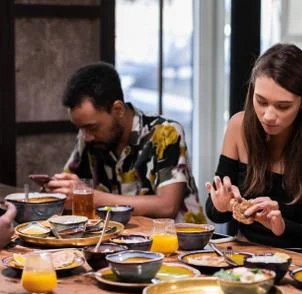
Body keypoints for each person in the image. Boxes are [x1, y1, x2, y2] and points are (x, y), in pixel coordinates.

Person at [205, 43, 302, 252]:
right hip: (241, 257)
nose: (269, 116)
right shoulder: (238, 126)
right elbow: (215, 213)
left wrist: (282, 228)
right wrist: (221, 204)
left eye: (283, 107)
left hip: (297, 263)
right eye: (261, 101)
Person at [47, 62, 205, 223]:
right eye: (81, 128)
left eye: (92, 127)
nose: (86, 136)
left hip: (179, 242)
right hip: (120, 243)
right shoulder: (90, 137)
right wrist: (59, 189)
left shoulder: (164, 133)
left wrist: (91, 197)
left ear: (118, 109)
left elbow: (167, 206)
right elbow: (69, 194)